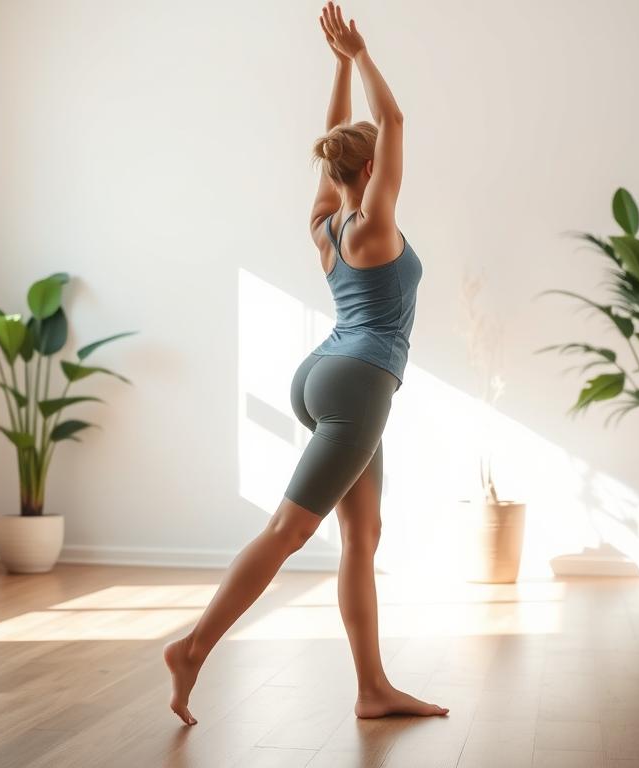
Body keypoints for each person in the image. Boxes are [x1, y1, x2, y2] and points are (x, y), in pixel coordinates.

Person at [163, 2, 445, 726]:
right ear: (375, 168)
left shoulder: (328, 223)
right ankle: (192, 648)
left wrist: (340, 68)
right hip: (359, 383)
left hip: (324, 374)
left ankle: (373, 688)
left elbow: (339, 144)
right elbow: (399, 122)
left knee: (362, 536)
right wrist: (364, 55)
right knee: (291, 531)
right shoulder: (377, 226)